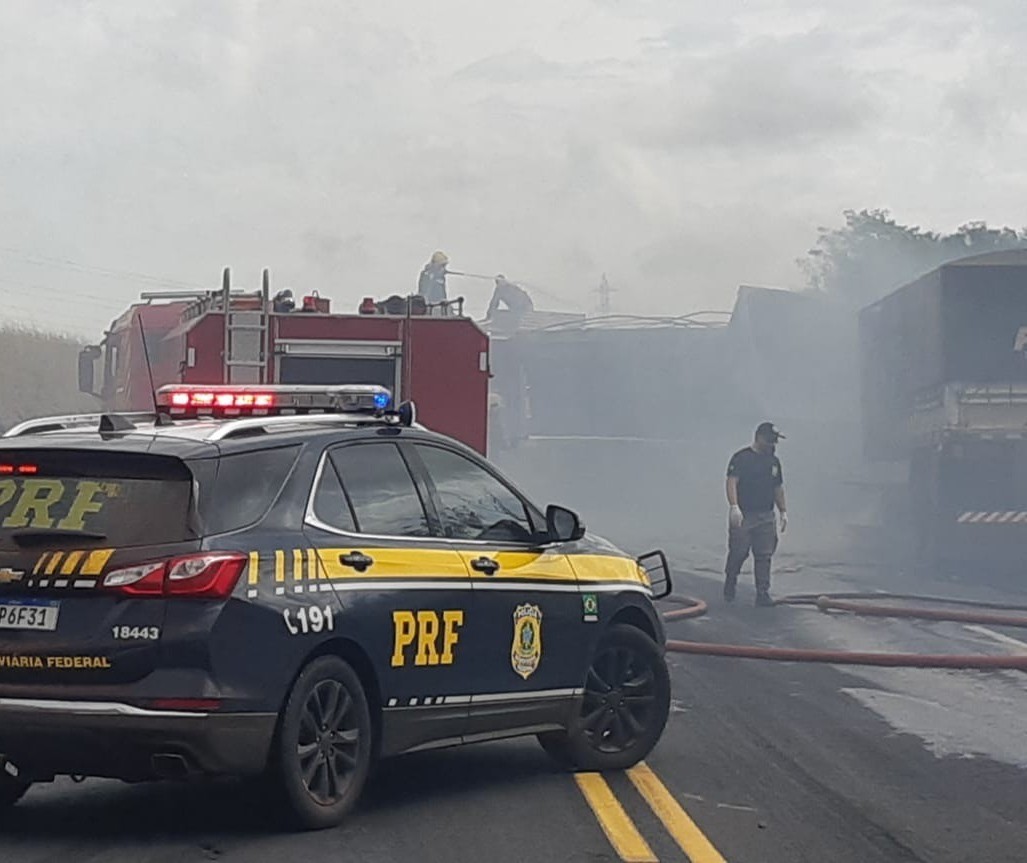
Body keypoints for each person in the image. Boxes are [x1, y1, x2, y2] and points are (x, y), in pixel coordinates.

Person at [724, 422, 788, 607]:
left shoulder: (773, 462)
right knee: (739, 551)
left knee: (764, 555)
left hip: (766, 515)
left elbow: (778, 487)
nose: (772, 445)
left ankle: (762, 593)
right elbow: (732, 482)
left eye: (774, 441)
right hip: (745, 514)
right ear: (759, 437)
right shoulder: (741, 458)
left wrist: (783, 510)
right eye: (770, 441)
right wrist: (734, 506)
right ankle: (731, 579)